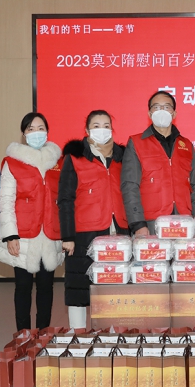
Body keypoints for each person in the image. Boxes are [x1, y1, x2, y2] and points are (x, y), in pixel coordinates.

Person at [58, 110, 129, 329]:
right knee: (79, 286)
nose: (102, 129)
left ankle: (112, 333)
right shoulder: (74, 158)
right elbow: (65, 199)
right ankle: (78, 334)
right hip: (84, 232)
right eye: (96, 125)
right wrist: (67, 237)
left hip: (117, 231)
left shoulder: (123, 158)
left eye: (106, 125)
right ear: (87, 130)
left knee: (114, 285)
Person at [0, 112, 64, 331]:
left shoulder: (58, 162)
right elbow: (6, 200)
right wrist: (10, 235)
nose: (36, 133)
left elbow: (64, 200)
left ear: (47, 132)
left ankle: (43, 334)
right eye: (30, 129)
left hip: (50, 235)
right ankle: (23, 336)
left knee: (46, 287)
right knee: (23, 287)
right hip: (23, 235)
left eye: (40, 128)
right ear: (23, 134)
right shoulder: (13, 162)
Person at [121, 90, 195, 236]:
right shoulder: (136, 143)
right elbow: (130, 186)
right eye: (157, 107)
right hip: (151, 223)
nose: (162, 111)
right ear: (149, 113)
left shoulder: (186, 144)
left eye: (166, 107)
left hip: (184, 220)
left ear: (174, 113)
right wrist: (138, 224)